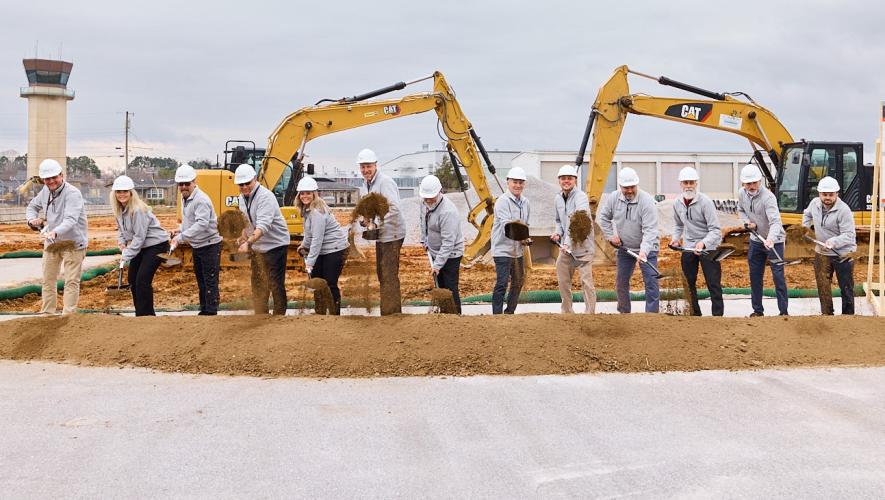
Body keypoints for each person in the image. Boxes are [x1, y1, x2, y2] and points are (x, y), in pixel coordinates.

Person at [25, 159, 88, 315]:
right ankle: (47, 314)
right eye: (47, 179)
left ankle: (68, 316)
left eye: (54, 177)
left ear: (61, 175)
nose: (51, 181)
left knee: (71, 281)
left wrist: (54, 231)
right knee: (48, 280)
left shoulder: (73, 193)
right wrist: (32, 220)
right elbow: (32, 206)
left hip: (73, 243)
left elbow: (71, 220)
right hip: (53, 242)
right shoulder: (45, 191)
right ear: (43, 180)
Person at [598, 167, 660, 313]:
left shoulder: (646, 201)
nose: (630, 190)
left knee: (651, 282)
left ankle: (652, 316)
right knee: (621, 282)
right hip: (625, 249)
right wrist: (610, 235)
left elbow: (650, 230)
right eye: (626, 188)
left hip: (648, 249)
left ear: (636, 185)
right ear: (620, 187)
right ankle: (624, 313)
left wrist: (644, 252)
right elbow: (604, 218)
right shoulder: (614, 198)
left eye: (632, 187)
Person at [234, 163, 291, 315]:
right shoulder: (242, 198)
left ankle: (279, 316)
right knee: (258, 283)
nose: (245, 187)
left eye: (248, 183)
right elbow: (247, 222)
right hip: (258, 245)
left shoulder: (265, 197)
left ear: (255, 179)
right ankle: (261, 315)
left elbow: (263, 226)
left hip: (275, 244)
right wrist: (243, 236)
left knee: (274, 282)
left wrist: (248, 243)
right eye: (241, 184)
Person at [110, 175, 170, 316]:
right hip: (142, 247)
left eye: (125, 191)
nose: (122, 194)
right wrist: (122, 243)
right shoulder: (119, 210)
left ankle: (147, 316)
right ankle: (140, 314)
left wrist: (126, 255)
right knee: (132, 279)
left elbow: (139, 237)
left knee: (142, 280)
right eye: (118, 191)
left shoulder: (137, 210)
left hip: (157, 245)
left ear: (131, 192)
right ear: (115, 194)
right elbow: (121, 230)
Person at [357, 148, 406, 315]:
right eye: (363, 167)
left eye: (368, 166)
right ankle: (388, 311)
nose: (365, 170)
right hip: (383, 235)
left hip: (392, 234)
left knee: (388, 274)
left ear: (376, 165)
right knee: (382, 274)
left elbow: (393, 209)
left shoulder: (385, 182)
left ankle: (392, 314)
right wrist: (366, 220)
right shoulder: (367, 183)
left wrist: (375, 222)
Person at [170, 164, 223, 315]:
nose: (184, 187)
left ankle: (211, 312)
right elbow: (190, 221)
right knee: (201, 280)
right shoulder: (185, 198)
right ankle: (204, 309)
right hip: (198, 245)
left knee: (210, 281)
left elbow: (202, 224)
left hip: (209, 245)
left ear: (194, 182)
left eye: (187, 183)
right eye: (181, 184)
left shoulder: (201, 200)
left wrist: (180, 238)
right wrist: (179, 230)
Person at [671, 166, 724, 316]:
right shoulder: (677, 203)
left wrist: (703, 243)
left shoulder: (705, 202)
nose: (688, 186)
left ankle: (718, 317)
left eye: (691, 182)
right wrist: (675, 239)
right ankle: (695, 314)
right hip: (688, 247)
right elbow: (678, 225)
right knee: (688, 283)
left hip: (708, 247)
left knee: (713, 283)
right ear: (680, 184)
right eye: (685, 182)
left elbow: (715, 230)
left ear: (696, 184)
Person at [737, 164, 788, 317]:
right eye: (748, 184)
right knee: (755, 275)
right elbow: (740, 210)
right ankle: (757, 311)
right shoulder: (741, 193)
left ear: (760, 181)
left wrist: (771, 239)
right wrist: (747, 223)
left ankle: (784, 312)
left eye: (754, 183)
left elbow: (776, 223)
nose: (751, 186)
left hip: (775, 242)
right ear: (743, 184)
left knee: (778, 276)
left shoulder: (768, 198)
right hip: (756, 241)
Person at [802, 176, 856, 315]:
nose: (827, 197)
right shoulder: (814, 204)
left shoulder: (844, 210)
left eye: (831, 195)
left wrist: (833, 242)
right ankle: (827, 315)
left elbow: (849, 235)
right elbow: (807, 215)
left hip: (843, 253)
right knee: (823, 285)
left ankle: (848, 317)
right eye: (824, 194)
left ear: (837, 194)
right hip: (822, 252)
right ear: (819, 194)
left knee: (846, 287)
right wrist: (806, 228)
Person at [296, 175, 349, 315]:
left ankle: (334, 314)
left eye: (308, 193)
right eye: (302, 193)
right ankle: (320, 314)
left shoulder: (317, 212)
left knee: (329, 283)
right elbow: (309, 234)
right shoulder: (306, 210)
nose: (305, 196)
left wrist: (310, 263)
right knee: (317, 282)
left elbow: (317, 240)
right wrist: (303, 246)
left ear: (314, 194)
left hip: (335, 249)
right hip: (322, 251)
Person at [551, 164, 595, 314]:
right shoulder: (558, 198)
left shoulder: (581, 197)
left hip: (583, 248)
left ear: (575, 180)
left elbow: (577, 223)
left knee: (586, 282)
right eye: (563, 179)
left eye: (569, 178)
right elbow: (559, 220)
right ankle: (567, 313)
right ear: (559, 181)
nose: (566, 181)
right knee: (563, 280)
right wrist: (557, 233)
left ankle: (590, 314)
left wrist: (567, 243)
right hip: (566, 248)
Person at [419, 175, 465, 313]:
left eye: (431, 197)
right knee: (440, 286)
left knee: (449, 288)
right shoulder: (424, 204)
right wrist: (424, 239)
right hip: (434, 251)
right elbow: (423, 221)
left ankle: (456, 317)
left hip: (451, 254)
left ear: (439, 192)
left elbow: (448, 243)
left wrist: (438, 265)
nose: (428, 200)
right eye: (425, 197)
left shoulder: (447, 211)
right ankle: (445, 317)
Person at [491, 167, 531, 314]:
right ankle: (497, 314)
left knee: (518, 282)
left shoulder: (526, 202)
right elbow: (507, 226)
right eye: (515, 182)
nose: (518, 185)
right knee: (502, 283)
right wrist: (522, 237)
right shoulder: (502, 202)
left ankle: (509, 312)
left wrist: (526, 238)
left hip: (518, 251)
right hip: (502, 249)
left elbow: (525, 224)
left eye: (521, 182)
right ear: (508, 182)